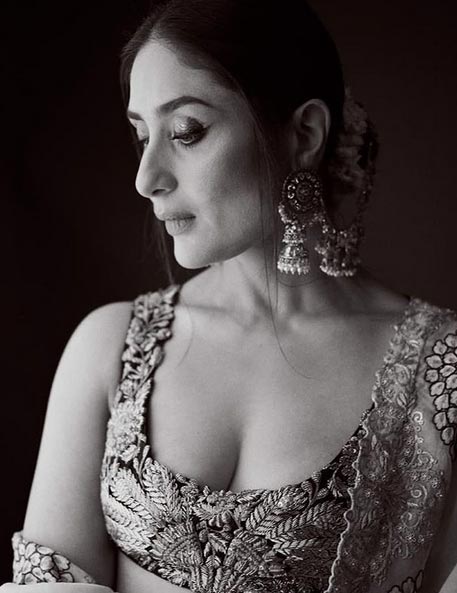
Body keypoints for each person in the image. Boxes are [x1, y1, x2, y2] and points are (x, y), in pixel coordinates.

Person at [3, 0, 457, 592]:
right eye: (141, 135)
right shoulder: (111, 349)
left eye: (186, 132)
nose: (146, 178)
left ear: (304, 134)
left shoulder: (441, 368)